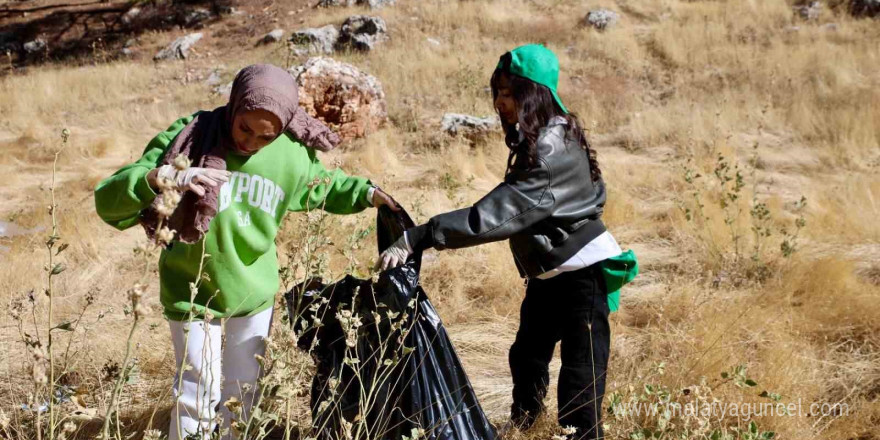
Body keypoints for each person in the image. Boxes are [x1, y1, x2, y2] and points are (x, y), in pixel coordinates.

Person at [94, 64, 398, 440]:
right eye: (244, 128)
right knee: (196, 395)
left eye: (265, 137)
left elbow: (325, 185)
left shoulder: (289, 153)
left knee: (243, 398)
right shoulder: (193, 136)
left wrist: (368, 193)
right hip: (190, 289)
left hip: (252, 292)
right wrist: (162, 177)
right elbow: (108, 200)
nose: (251, 142)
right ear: (234, 105)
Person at [377, 44, 628, 439]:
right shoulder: (553, 132)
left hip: (582, 275)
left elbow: (492, 217)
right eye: (497, 92)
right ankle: (525, 426)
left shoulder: (549, 151)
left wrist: (418, 236)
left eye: (509, 93)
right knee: (527, 355)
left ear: (534, 94)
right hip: (551, 273)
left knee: (582, 371)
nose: (499, 103)